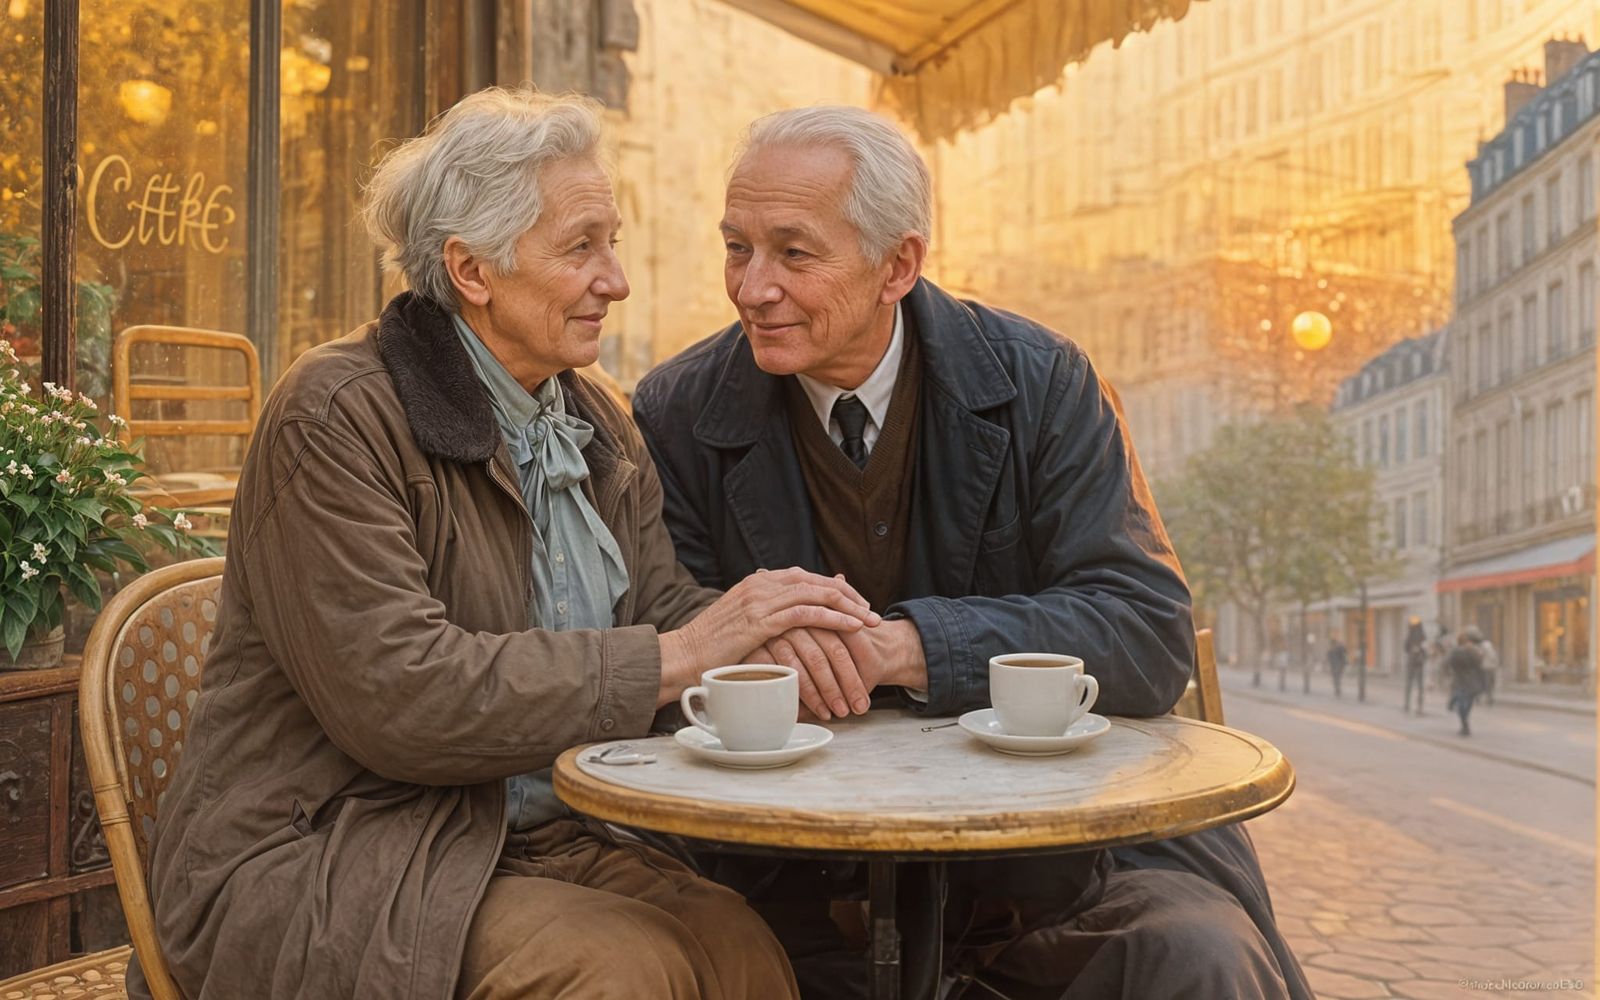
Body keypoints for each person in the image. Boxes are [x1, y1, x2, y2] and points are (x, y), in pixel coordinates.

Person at [132, 89, 890, 1000]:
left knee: (743, 951)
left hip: (535, 834)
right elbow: (404, 696)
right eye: (581, 247)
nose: (615, 278)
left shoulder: (594, 425)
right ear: (472, 271)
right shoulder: (335, 415)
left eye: (611, 242)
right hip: (332, 849)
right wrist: (687, 651)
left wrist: (781, 642)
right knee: (623, 972)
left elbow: (665, 615)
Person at [635, 106, 1308, 1000]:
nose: (753, 287)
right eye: (736, 248)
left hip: (1061, 865)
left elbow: (1146, 629)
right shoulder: (676, 411)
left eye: (794, 254)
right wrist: (748, 642)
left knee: (1198, 954)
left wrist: (906, 646)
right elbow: (662, 624)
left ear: (899, 266)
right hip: (786, 878)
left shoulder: (1043, 380)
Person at [1447, 628, 1489, 735]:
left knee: (1461, 701)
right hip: (1470, 681)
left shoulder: (1455, 651)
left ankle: (1464, 722)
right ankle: (1465, 721)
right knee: (1468, 702)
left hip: (1459, 680)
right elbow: (1479, 663)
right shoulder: (1471, 650)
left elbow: (1450, 664)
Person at [1403, 617, 1428, 714]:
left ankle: (1407, 704)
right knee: (1420, 686)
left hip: (1411, 662)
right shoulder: (1423, 637)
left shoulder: (1410, 636)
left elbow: (1405, 648)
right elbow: (1426, 651)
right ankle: (1419, 706)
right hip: (1419, 663)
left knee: (1409, 684)